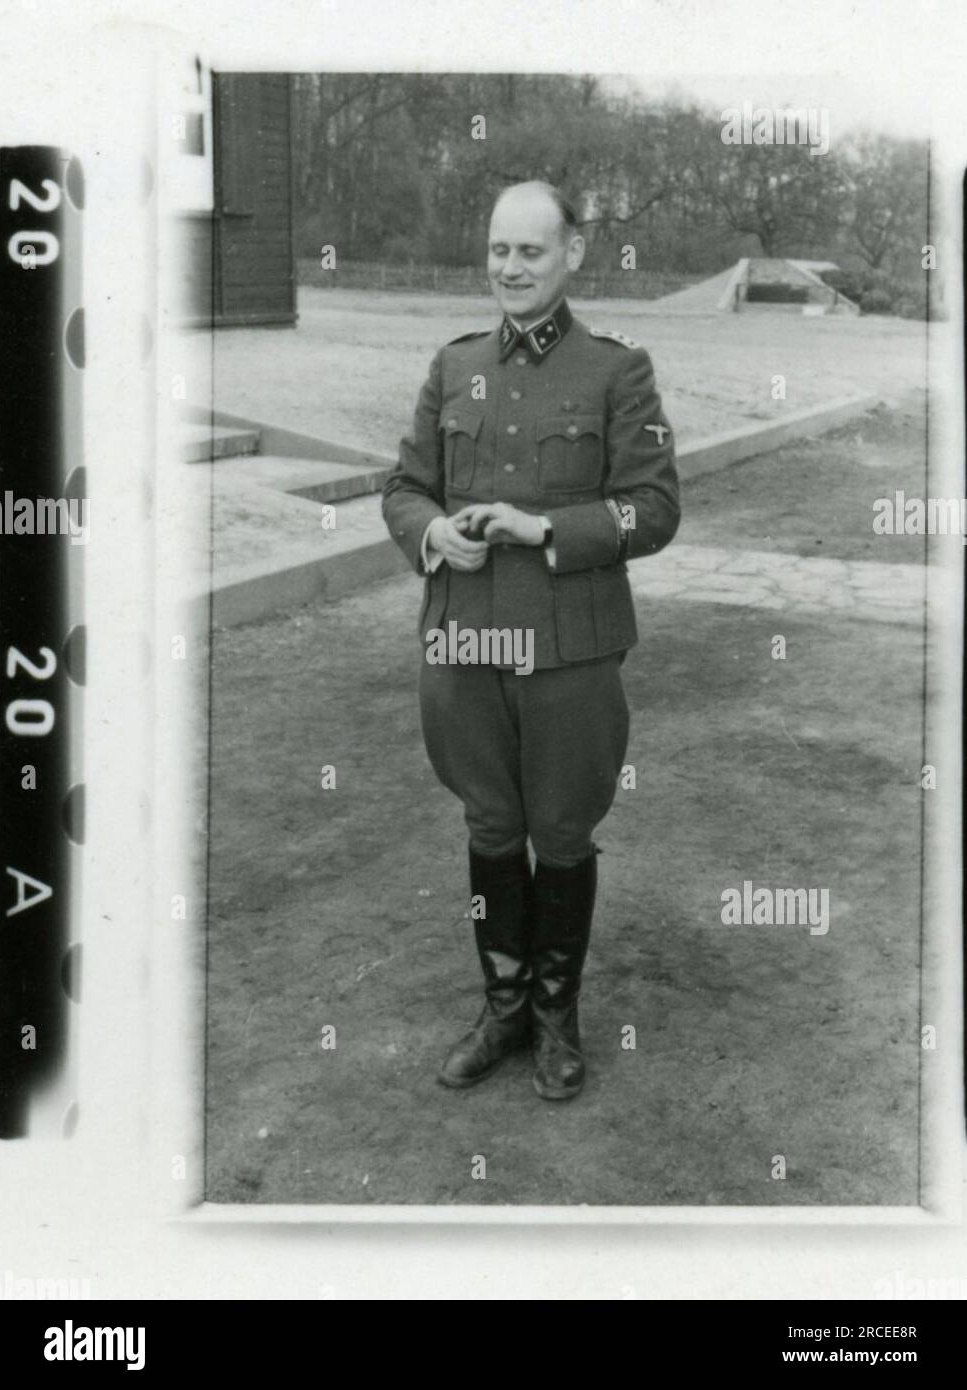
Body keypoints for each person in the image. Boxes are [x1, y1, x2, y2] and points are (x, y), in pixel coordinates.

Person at [381, 180, 680, 1100]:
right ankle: (502, 1007)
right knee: (489, 825)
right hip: (463, 645)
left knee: (561, 831)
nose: (510, 269)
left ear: (573, 255)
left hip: (569, 651)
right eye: (498, 251)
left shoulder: (615, 370)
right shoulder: (453, 363)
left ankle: (557, 1018)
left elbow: (655, 509)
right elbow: (403, 488)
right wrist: (431, 535)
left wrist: (544, 530)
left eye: (530, 252)